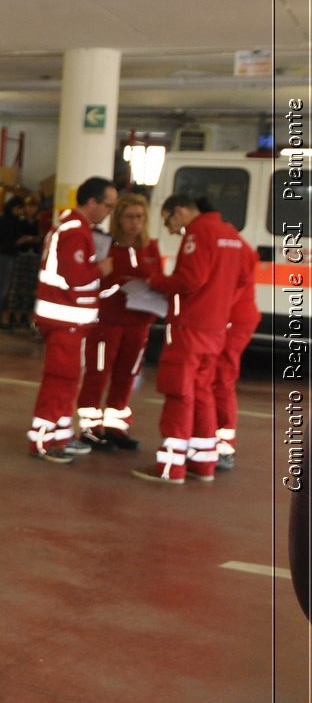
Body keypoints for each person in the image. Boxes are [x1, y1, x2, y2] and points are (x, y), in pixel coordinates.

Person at [132, 194, 246, 484]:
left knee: (179, 393)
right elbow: (244, 275)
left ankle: (171, 468)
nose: (172, 229)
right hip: (215, 327)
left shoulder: (198, 232)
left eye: (169, 221)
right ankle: (203, 464)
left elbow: (189, 279)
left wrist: (155, 281)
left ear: (179, 211)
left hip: (190, 328)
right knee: (203, 393)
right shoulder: (230, 233)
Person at [27, 177, 118, 463]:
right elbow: (76, 276)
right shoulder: (75, 231)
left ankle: (61, 435)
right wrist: (101, 268)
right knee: (60, 380)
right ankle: (43, 440)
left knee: (68, 380)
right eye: (107, 206)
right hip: (63, 319)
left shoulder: (74, 228)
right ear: (91, 202)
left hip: (70, 321)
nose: (108, 212)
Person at [74, 192, 162, 451]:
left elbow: (157, 279)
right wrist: (117, 286)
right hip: (107, 322)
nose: (135, 222)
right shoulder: (106, 246)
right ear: (118, 219)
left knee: (127, 375)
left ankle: (115, 426)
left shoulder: (150, 247)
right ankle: (90, 428)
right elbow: (93, 282)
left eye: (140, 217)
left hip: (139, 323)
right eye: (129, 217)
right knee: (97, 374)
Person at [211, 203, 261, 472]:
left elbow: (233, 287)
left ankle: (222, 444)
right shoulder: (234, 242)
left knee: (221, 378)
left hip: (232, 320)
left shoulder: (227, 244)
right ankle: (216, 440)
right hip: (235, 318)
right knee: (218, 378)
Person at [0, 195, 41, 330]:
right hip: (7, 255)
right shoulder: (7, 221)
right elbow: (7, 241)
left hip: (9, 255)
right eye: (21, 209)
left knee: (5, 287)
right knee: (3, 288)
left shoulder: (8, 219)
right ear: (15, 208)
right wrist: (22, 240)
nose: (22, 212)